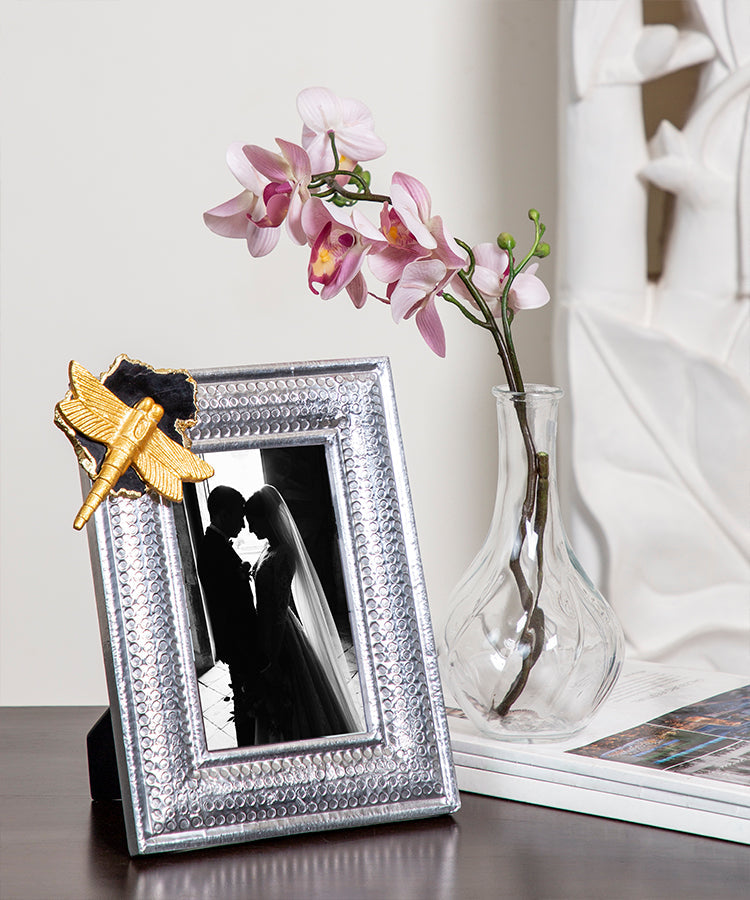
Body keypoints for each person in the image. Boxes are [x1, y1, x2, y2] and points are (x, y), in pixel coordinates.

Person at [244, 485, 362, 743]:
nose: (251, 529)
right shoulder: (268, 548)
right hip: (266, 626)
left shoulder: (284, 554)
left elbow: (278, 610)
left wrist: (272, 657)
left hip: (279, 632)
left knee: (292, 696)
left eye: (253, 522)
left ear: (267, 519)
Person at [197, 485, 263, 746]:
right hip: (239, 641)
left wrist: (240, 571)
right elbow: (225, 602)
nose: (243, 524)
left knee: (246, 698)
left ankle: (250, 744)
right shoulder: (212, 548)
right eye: (239, 516)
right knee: (247, 701)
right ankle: (248, 748)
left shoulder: (215, 545)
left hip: (238, 640)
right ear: (223, 515)